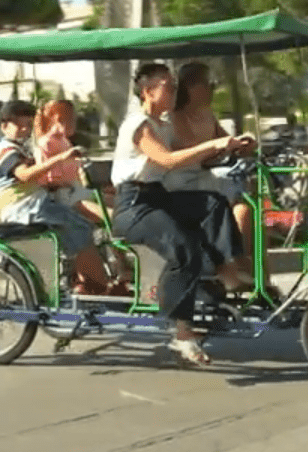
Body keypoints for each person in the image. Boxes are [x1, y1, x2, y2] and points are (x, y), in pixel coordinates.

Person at [110, 61, 257, 366]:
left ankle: (226, 272)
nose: (175, 90)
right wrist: (214, 142)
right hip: (134, 206)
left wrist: (230, 147)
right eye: (168, 85)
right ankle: (182, 332)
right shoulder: (137, 124)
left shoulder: (163, 123)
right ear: (148, 91)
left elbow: (193, 156)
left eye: (175, 84)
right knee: (184, 248)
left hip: (157, 198)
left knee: (212, 203)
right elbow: (167, 160)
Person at [0, 99, 109, 294]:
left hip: (35, 202)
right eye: (18, 125)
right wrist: (59, 159)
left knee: (82, 225)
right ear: (4, 126)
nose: (24, 130)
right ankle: (95, 286)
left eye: (27, 125)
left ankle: (86, 281)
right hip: (21, 206)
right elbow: (25, 175)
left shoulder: (20, 148)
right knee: (81, 227)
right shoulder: (6, 150)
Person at [165, 62, 263, 283]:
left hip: (206, 177)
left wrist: (243, 145)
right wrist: (220, 147)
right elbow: (193, 150)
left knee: (251, 211)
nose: (213, 89)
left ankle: (258, 276)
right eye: (208, 84)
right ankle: (237, 269)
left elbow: (223, 141)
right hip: (185, 181)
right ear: (190, 88)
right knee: (243, 210)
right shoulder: (176, 116)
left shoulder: (207, 114)